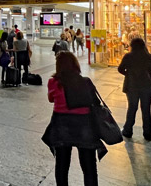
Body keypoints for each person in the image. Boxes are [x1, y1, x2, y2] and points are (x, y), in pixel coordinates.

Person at [42, 52, 105, 186]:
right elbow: (95, 102)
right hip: (84, 126)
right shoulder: (85, 82)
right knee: (89, 168)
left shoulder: (53, 82)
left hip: (61, 125)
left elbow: (50, 99)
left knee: (62, 166)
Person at [118, 38, 151, 141]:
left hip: (132, 85)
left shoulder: (128, 56)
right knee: (146, 110)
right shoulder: (149, 57)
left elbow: (120, 69)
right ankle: (148, 133)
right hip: (147, 86)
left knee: (132, 108)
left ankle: (128, 130)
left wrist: (129, 74)